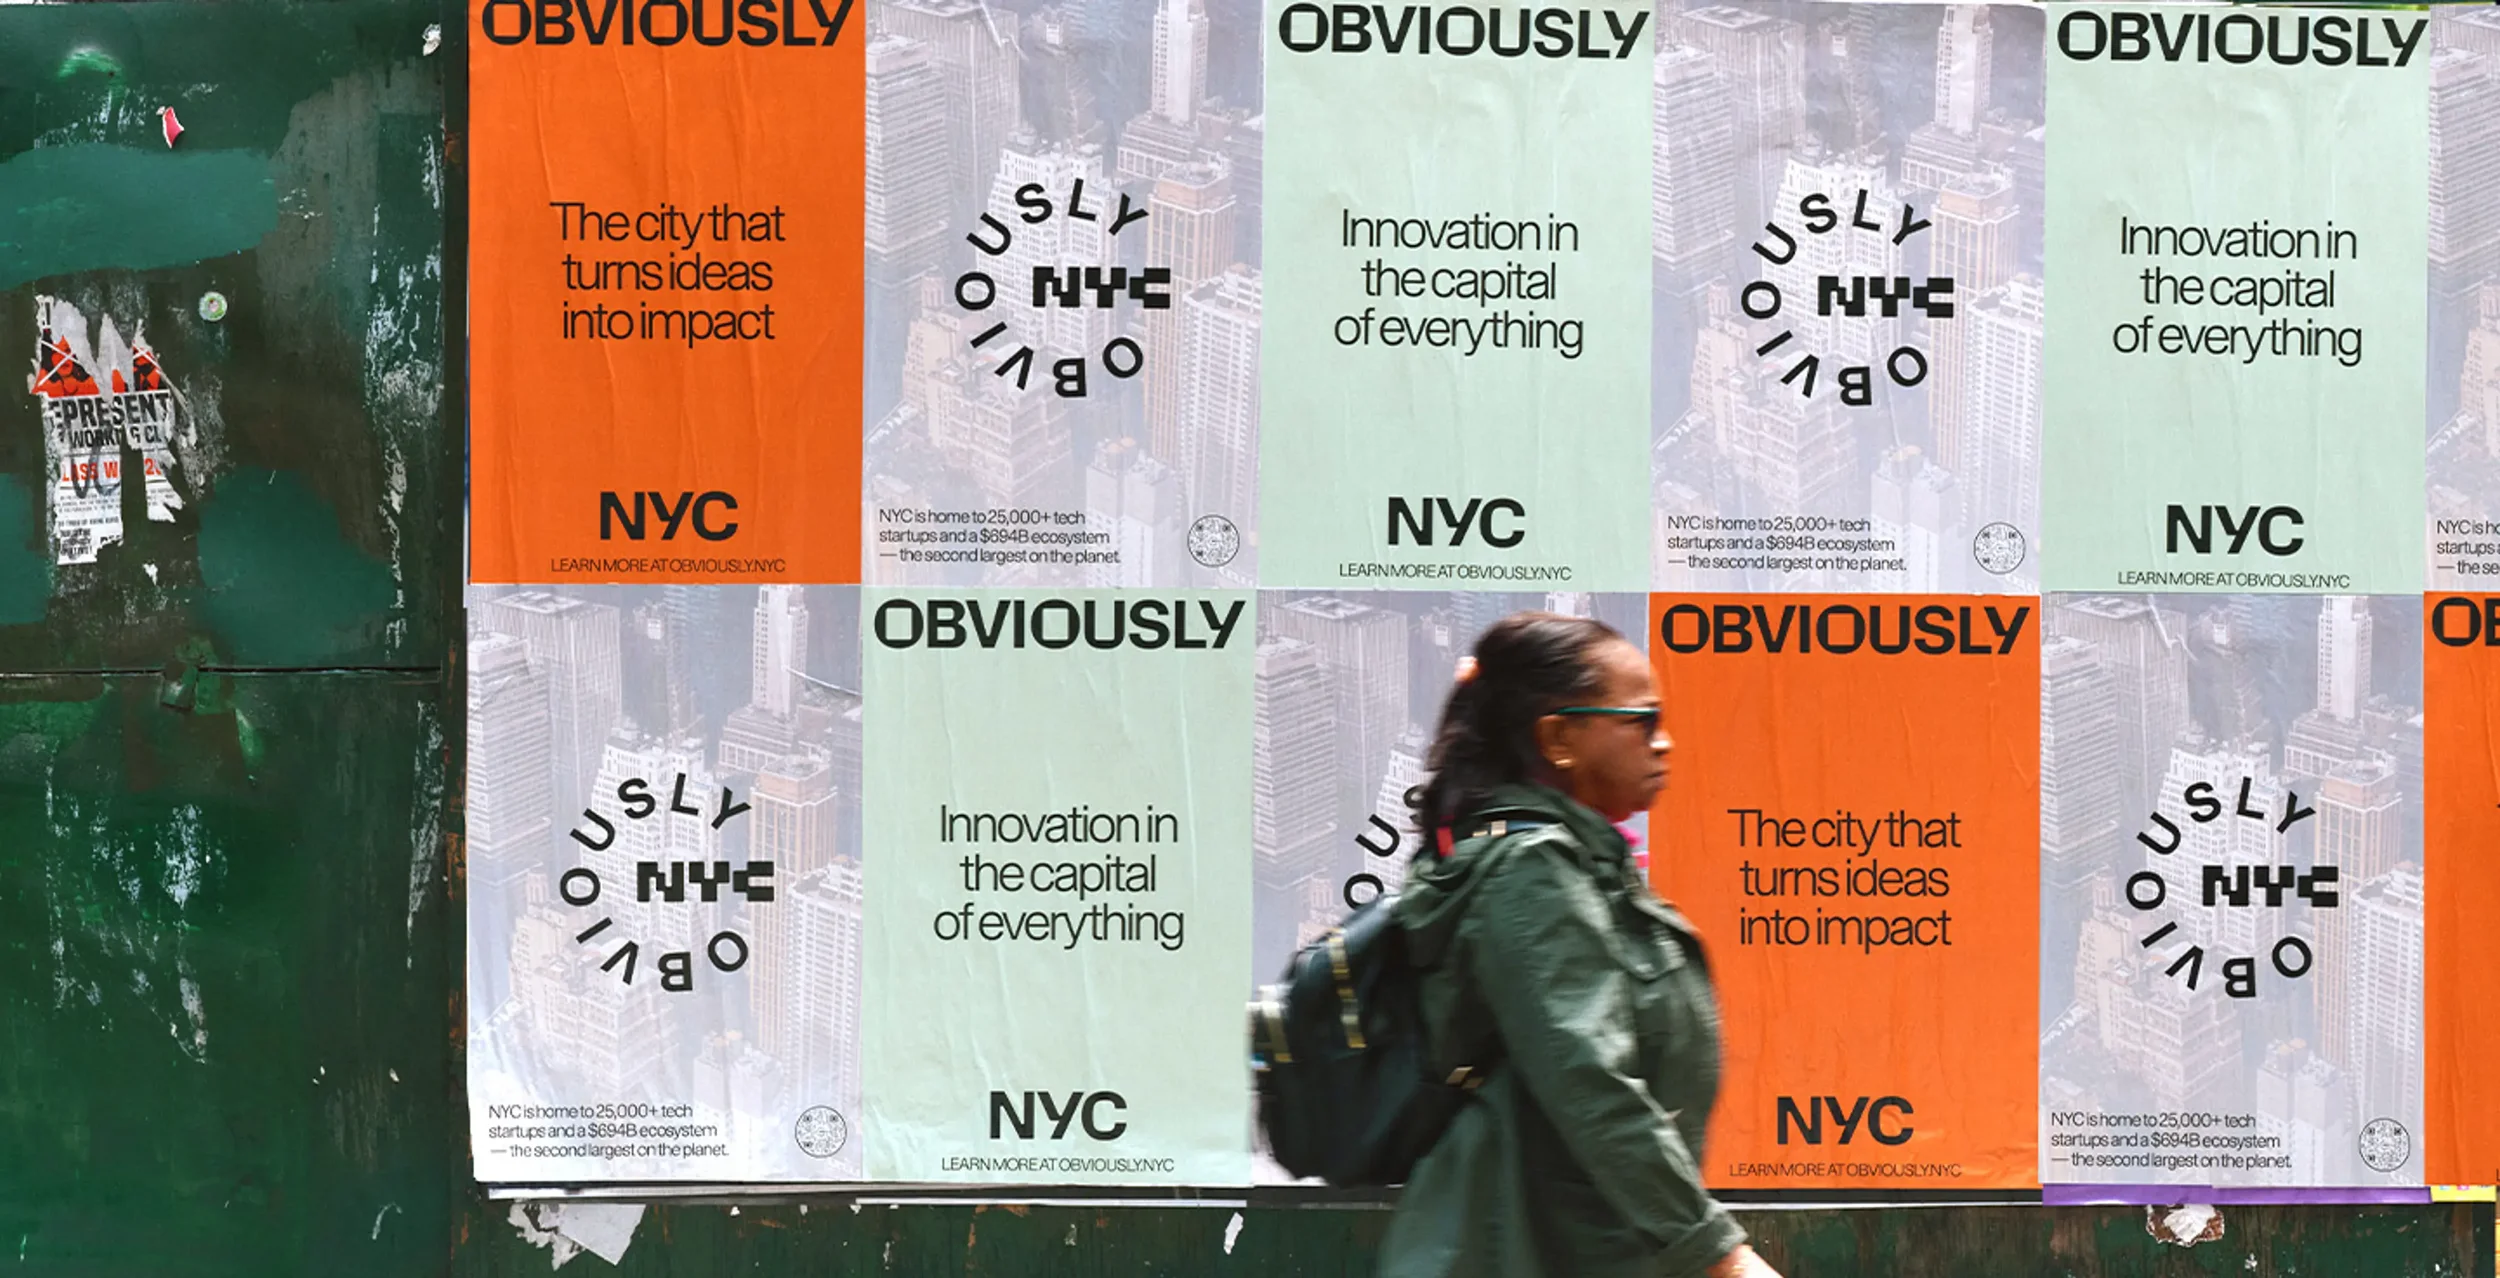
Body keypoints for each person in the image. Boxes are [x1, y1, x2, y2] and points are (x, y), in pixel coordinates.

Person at [1377, 612, 1779, 1278]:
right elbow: (1590, 1083)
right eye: (1640, 721)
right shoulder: (1530, 874)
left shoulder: (1581, 863)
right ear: (1560, 738)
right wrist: (1722, 1258)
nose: (1664, 743)